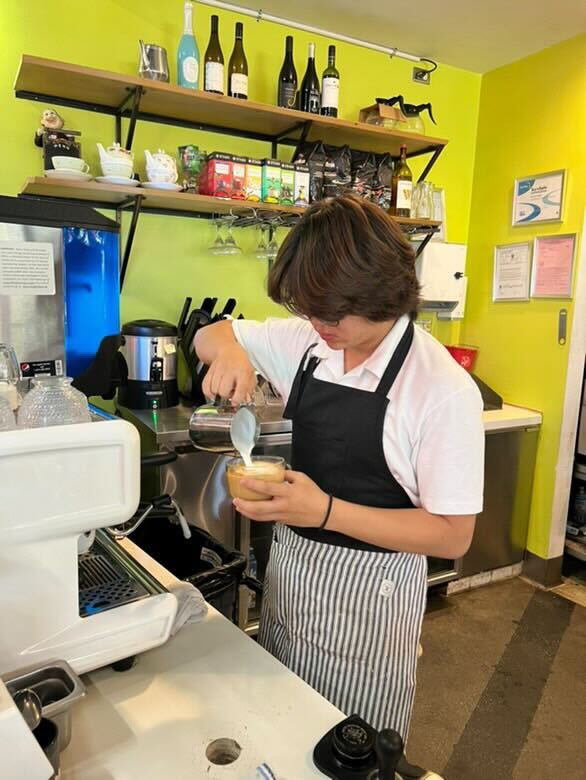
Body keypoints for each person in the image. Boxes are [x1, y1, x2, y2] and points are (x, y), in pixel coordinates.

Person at [195, 194, 484, 741]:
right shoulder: (310, 343)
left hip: (370, 612)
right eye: (306, 310)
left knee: (351, 749)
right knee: (280, 735)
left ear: (383, 293)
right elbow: (210, 334)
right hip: (292, 587)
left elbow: (453, 536)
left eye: (330, 313)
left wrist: (323, 510)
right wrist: (230, 348)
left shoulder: (440, 390)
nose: (317, 324)